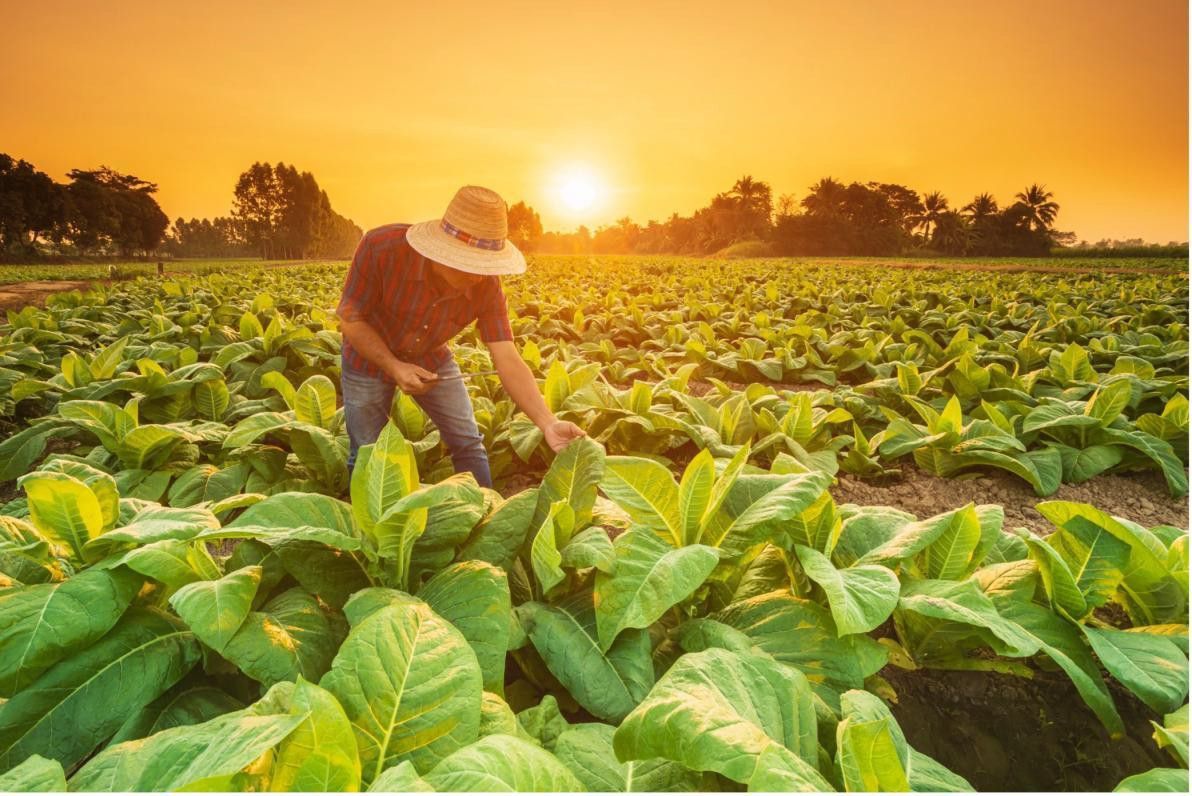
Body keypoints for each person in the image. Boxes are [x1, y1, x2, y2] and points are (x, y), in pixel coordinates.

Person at [336, 185, 585, 488]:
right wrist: (394, 366)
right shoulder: (381, 248)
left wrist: (548, 423)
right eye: (467, 264)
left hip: (430, 357)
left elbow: (507, 357)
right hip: (366, 359)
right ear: (439, 250)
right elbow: (351, 318)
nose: (477, 276)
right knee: (366, 450)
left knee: (468, 442)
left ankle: (484, 518)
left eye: (484, 266)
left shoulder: (486, 285)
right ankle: (369, 528)